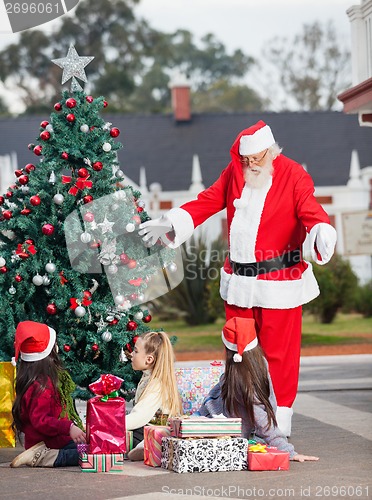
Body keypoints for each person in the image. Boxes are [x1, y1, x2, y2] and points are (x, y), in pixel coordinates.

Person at [139, 120, 337, 436]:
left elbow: (310, 210)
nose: (250, 166)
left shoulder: (293, 174)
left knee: (279, 358)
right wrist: (170, 223)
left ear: (271, 152)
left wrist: (322, 231)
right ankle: (240, 419)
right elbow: (206, 200)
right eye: (245, 160)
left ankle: (278, 427)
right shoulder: (236, 174)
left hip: (279, 283)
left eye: (256, 159)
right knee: (237, 350)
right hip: (240, 284)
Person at [198, 317, 319, 462]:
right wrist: (288, 451)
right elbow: (262, 415)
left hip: (210, 421)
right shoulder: (257, 365)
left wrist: (287, 451)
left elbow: (261, 417)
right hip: (217, 430)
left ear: (227, 348)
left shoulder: (239, 374)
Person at [10, 320, 86, 468]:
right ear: (48, 353)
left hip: (57, 441)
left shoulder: (38, 380)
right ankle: (39, 457)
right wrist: (69, 427)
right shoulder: (41, 385)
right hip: (46, 445)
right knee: (86, 455)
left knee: (91, 447)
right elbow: (42, 421)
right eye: (54, 345)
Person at [126, 330, 182, 461]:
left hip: (156, 429)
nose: (131, 354)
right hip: (144, 428)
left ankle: (148, 447)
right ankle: (146, 447)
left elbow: (139, 416)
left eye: (136, 351)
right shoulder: (147, 377)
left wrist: (109, 424)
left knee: (116, 441)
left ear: (149, 359)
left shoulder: (157, 384)